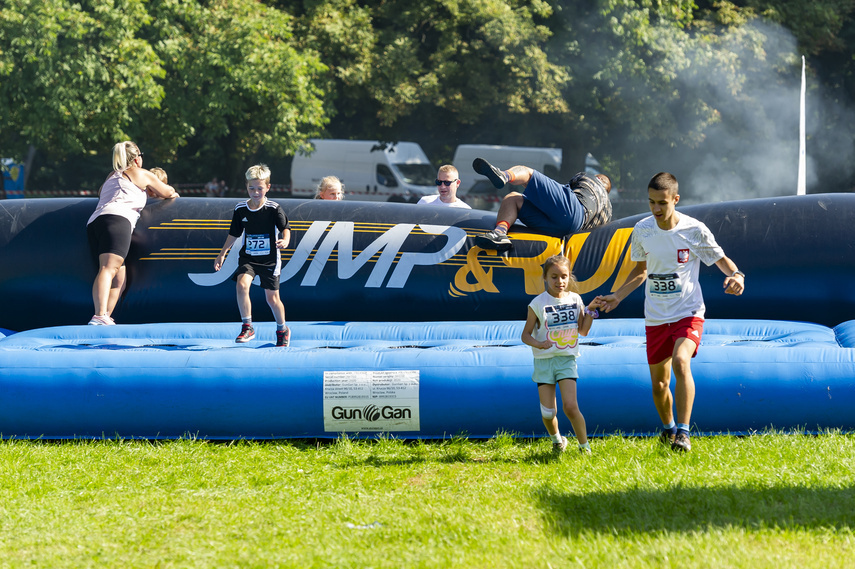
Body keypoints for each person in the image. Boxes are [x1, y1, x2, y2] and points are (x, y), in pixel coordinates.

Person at [595, 172, 745, 452]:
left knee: (680, 361)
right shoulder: (642, 229)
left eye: (662, 203)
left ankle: (685, 433)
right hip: (655, 317)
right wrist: (617, 296)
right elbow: (640, 272)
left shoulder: (694, 230)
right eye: (651, 202)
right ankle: (668, 430)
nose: (656, 209)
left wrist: (737, 275)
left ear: (676, 199)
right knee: (660, 384)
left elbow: (721, 260)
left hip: (688, 312)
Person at [86, 142, 179, 325]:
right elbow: (167, 191)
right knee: (108, 268)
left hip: (95, 222)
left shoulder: (112, 175)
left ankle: (104, 317)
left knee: (120, 277)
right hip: (117, 220)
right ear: (137, 158)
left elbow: (101, 193)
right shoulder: (140, 173)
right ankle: (98, 315)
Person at [521, 254, 600, 454]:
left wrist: (590, 311)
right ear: (545, 277)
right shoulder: (537, 303)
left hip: (566, 360)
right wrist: (539, 344)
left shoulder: (575, 299)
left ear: (569, 277)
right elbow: (525, 335)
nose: (560, 281)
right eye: (554, 276)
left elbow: (583, 331)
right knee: (547, 413)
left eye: (564, 276)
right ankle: (558, 441)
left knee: (571, 407)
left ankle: (585, 448)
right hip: (544, 362)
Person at [214, 164, 292, 346]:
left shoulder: (274, 208)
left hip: (270, 259)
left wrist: (286, 240)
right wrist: (222, 254)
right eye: (251, 188)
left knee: (272, 298)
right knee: (242, 284)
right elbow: (234, 233)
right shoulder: (240, 208)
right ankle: (247, 326)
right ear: (246, 187)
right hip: (249, 257)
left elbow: (285, 228)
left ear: (268, 188)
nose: (255, 192)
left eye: (260, 188)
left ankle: (282, 329)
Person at [472, 158, 612, 251]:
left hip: (575, 210)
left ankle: (504, 175)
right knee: (514, 198)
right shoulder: (608, 211)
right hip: (570, 232)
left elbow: (561, 192)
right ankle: (499, 236)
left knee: (527, 173)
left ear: (598, 178)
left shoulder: (589, 178)